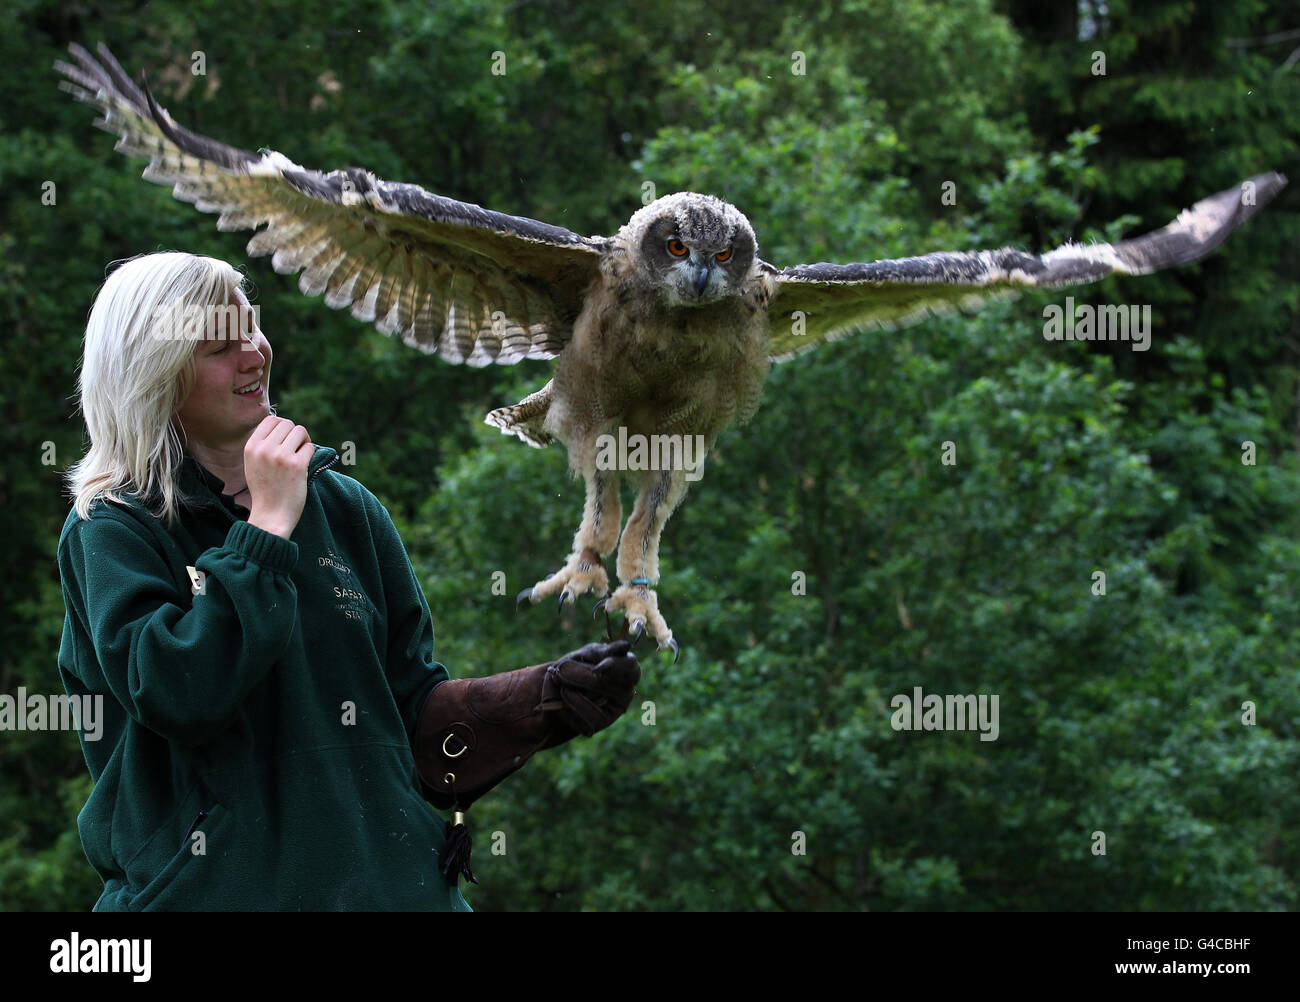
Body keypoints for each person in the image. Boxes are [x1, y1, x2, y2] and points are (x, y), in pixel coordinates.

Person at [56, 251, 639, 911]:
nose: (254, 354)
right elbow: (180, 692)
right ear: (153, 374)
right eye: (221, 345)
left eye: (253, 328)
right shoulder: (112, 529)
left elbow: (412, 719)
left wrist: (534, 703)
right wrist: (267, 528)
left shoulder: (347, 509)